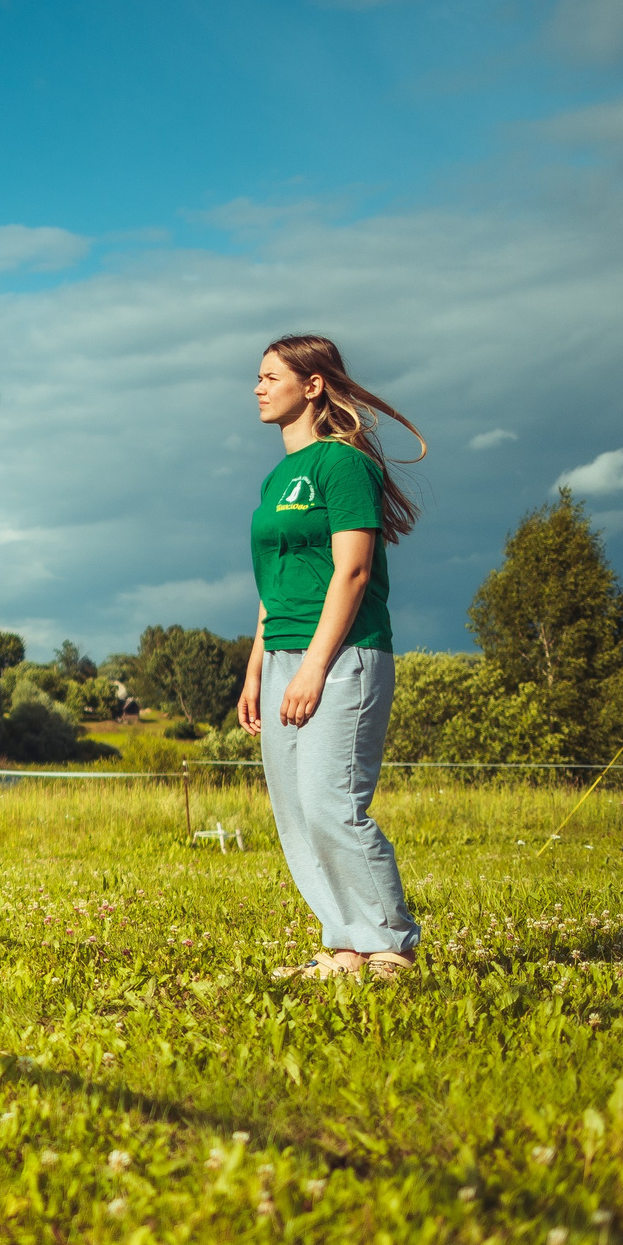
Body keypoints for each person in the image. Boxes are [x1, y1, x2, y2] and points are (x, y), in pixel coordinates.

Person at [236, 334, 426, 980]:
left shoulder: (341, 466)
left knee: (332, 802)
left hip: (344, 653)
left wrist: (315, 665)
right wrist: (257, 665)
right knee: (295, 813)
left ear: (312, 384)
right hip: (284, 651)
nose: (258, 387)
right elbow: (274, 580)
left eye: (270, 376)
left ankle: (390, 944)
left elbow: (352, 571)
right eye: (257, 378)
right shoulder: (275, 476)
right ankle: (346, 945)